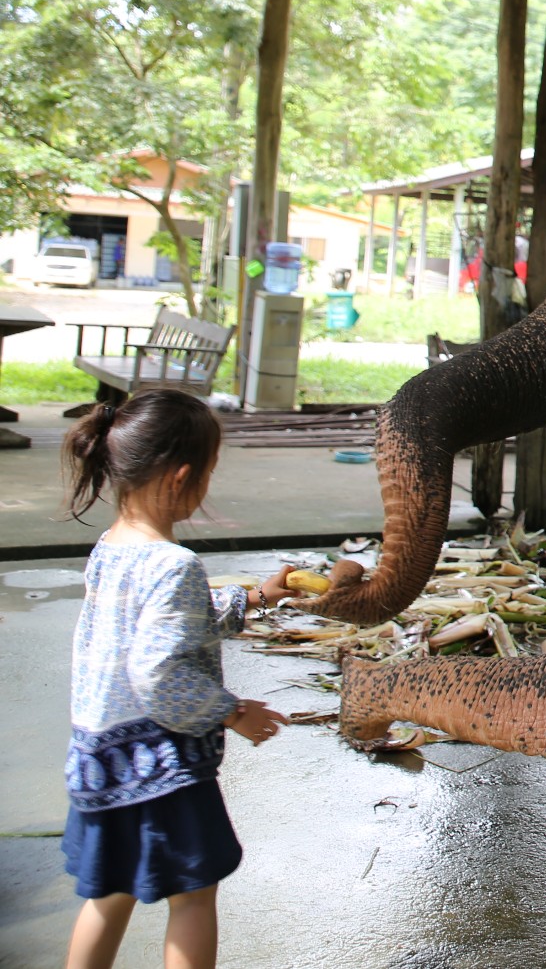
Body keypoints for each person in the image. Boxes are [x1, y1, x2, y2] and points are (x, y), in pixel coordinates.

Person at [58, 390, 298, 969]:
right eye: (208, 473)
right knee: (193, 896)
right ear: (182, 477)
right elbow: (157, 671)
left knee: (107, 895)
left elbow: (165, 623)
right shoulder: (174, 564)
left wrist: (256, 598)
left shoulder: (109, 549)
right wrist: (232, 712)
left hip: (99, 756)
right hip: (158, 763)